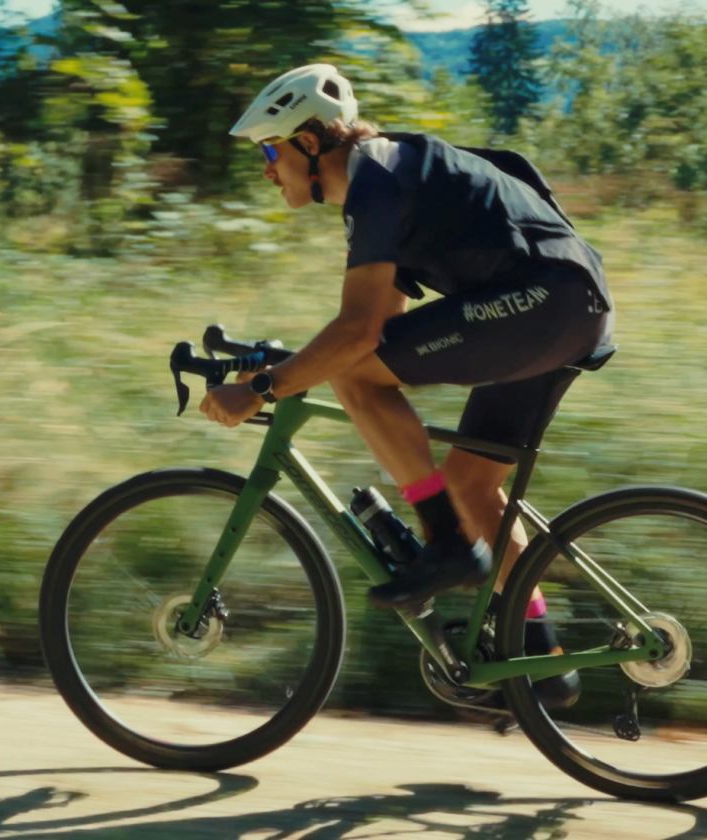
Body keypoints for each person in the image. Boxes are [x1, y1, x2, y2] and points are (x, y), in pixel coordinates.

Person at [200, 64, 615, 707]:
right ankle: (543, 655)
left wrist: (262, 390)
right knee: (471, 484)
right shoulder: (387, 174)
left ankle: (446, 543)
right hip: (565, 307)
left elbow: (358, 337)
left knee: (352, 374)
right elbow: (381, 326)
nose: (266, 170)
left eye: (270, 152)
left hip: (543, 303)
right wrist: (280, 367)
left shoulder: (375, 179)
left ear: (309, 142)